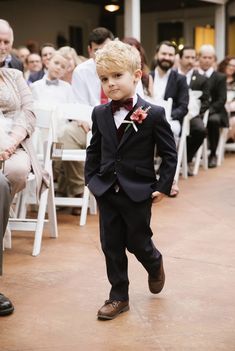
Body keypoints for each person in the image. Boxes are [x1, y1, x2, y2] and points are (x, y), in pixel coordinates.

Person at [85, 40, 177, 320]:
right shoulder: (100, 113)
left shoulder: (153, 114)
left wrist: (162, 186)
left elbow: (169, 154)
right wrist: (92, 179)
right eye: (104, 78)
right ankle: (118, 296)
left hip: (138, 191)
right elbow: (95, 149)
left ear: (136, 75)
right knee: (110, 244)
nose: (110, 83)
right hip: (106, 189)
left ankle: (154, 261)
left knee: (138, 241)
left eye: (117, 76)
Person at [0, 19, 48, 317]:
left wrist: (11, 142)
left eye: (6, 42)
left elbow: (29, 112)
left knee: (12, 176)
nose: (2, 47)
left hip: (12, 143)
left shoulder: (15, 75)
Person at [178, 46, 209, 175]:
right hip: (175, 112)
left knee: (200, 130)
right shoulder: (173, 75)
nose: (190, 60)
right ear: (180, 59)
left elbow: (206, 101)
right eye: (187, 57)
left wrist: (195, 112)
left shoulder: (202, 79)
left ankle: (187, 159)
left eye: (192, 57)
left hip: (192, 114)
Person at [198, 45, 229, 168]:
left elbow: (222, 99)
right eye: (204, 57)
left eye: (209, 57)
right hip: (197, 110)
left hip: (216, 111)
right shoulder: (194, 75)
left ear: (214, 59)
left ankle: (213, 154)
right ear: (199, 58)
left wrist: (208, 111)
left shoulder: (220, 77)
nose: (207, 60)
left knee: (213, 121)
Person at [217, 56, 235, 142]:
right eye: (230, 65)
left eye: (234, 66)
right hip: (220, 110)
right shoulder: (217, 79)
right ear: (224, 65)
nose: (232, 68)